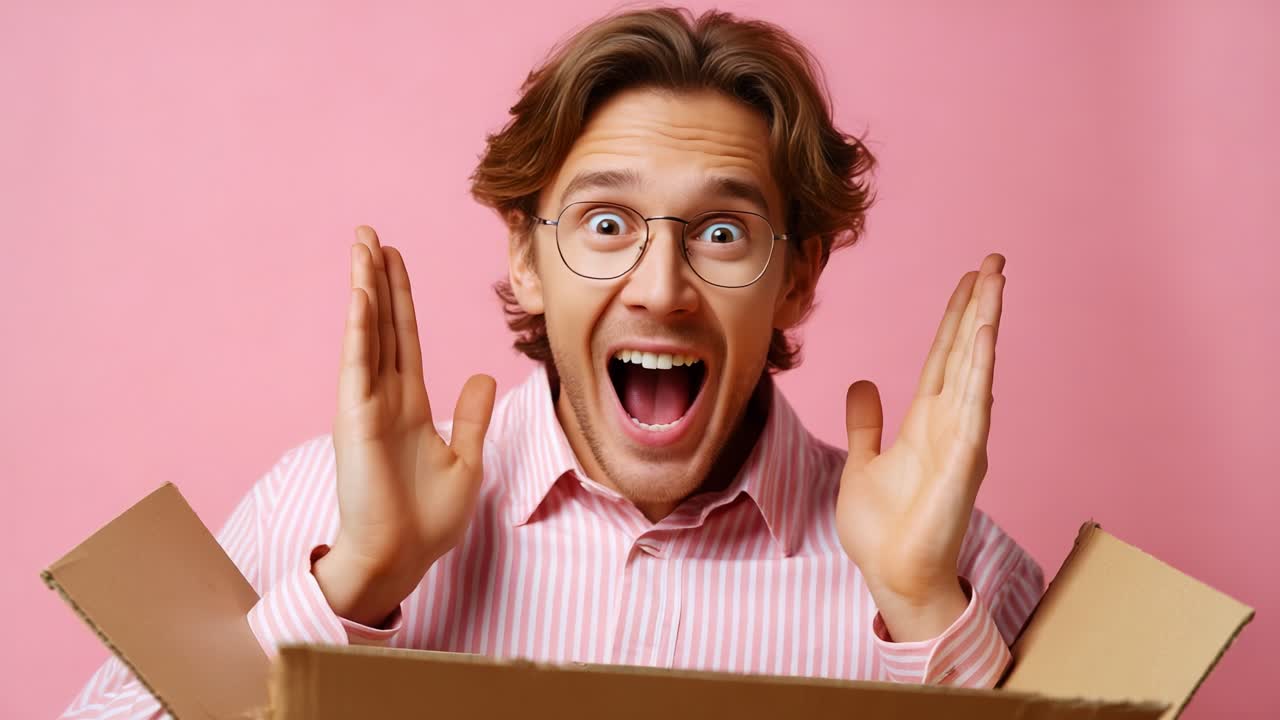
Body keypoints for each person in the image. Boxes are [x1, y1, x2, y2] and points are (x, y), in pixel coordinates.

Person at [60, 6, 1043, 718]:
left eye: (724, 232)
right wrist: (353, 583)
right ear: (525, 261)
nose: (661, 287)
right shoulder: (316, 507)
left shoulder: (951, 568)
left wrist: (921, 612)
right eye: (605, 223)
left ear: (795, 279)